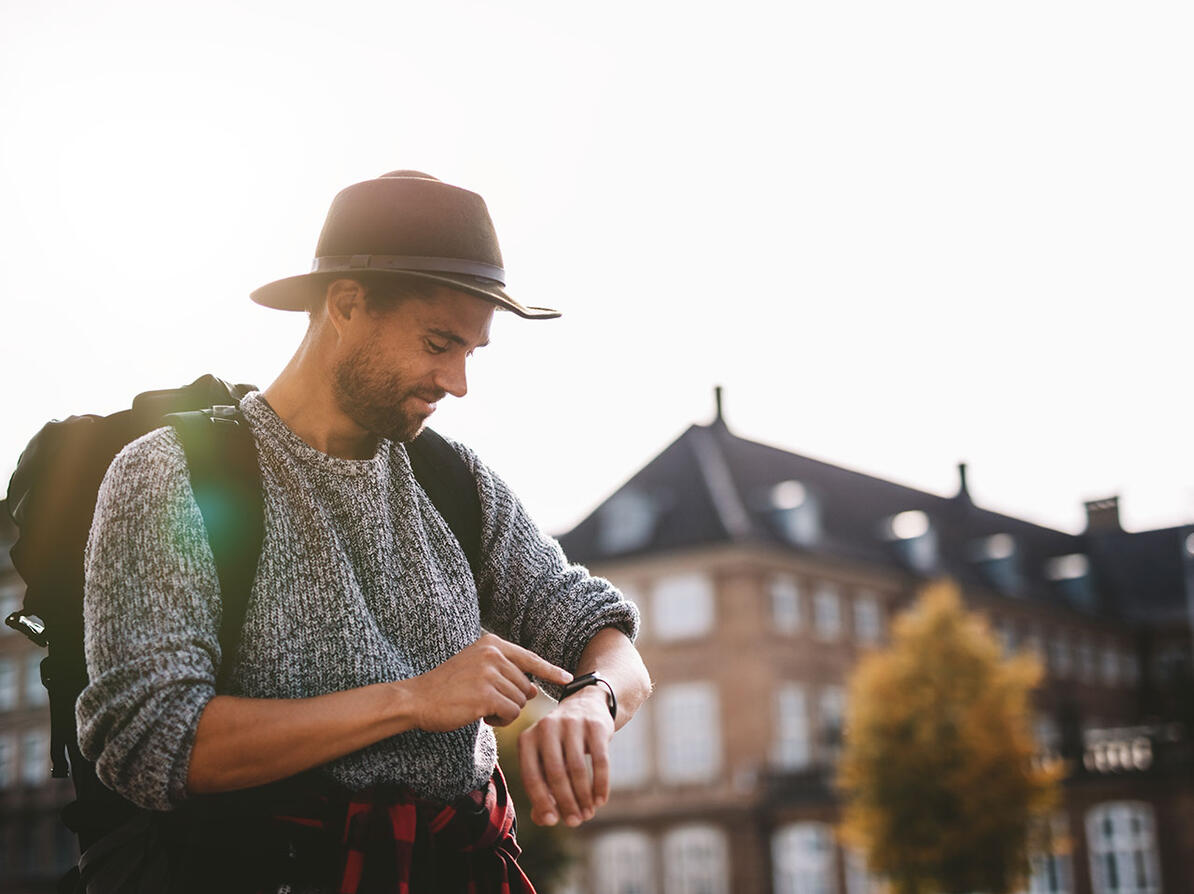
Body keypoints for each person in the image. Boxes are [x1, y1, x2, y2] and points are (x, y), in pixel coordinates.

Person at [75, 171, 651, 892]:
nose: (457, 381)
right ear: (346, 304)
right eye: (440, 342)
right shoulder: (172, 475)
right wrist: (412, 698)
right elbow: (151, 739)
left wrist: (593, 701)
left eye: (471, 351)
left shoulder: (457, 481)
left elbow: (608, 635)